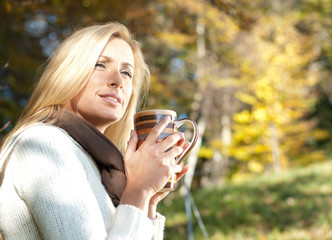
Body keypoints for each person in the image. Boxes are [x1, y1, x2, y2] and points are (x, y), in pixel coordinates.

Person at [0, 22, 190, 240]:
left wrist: (148, 198)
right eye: (100, 65)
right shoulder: (43, 144)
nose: (118, 81)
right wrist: (138, 190)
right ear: (68, 72)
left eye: (127, 73)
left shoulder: (102, 167)